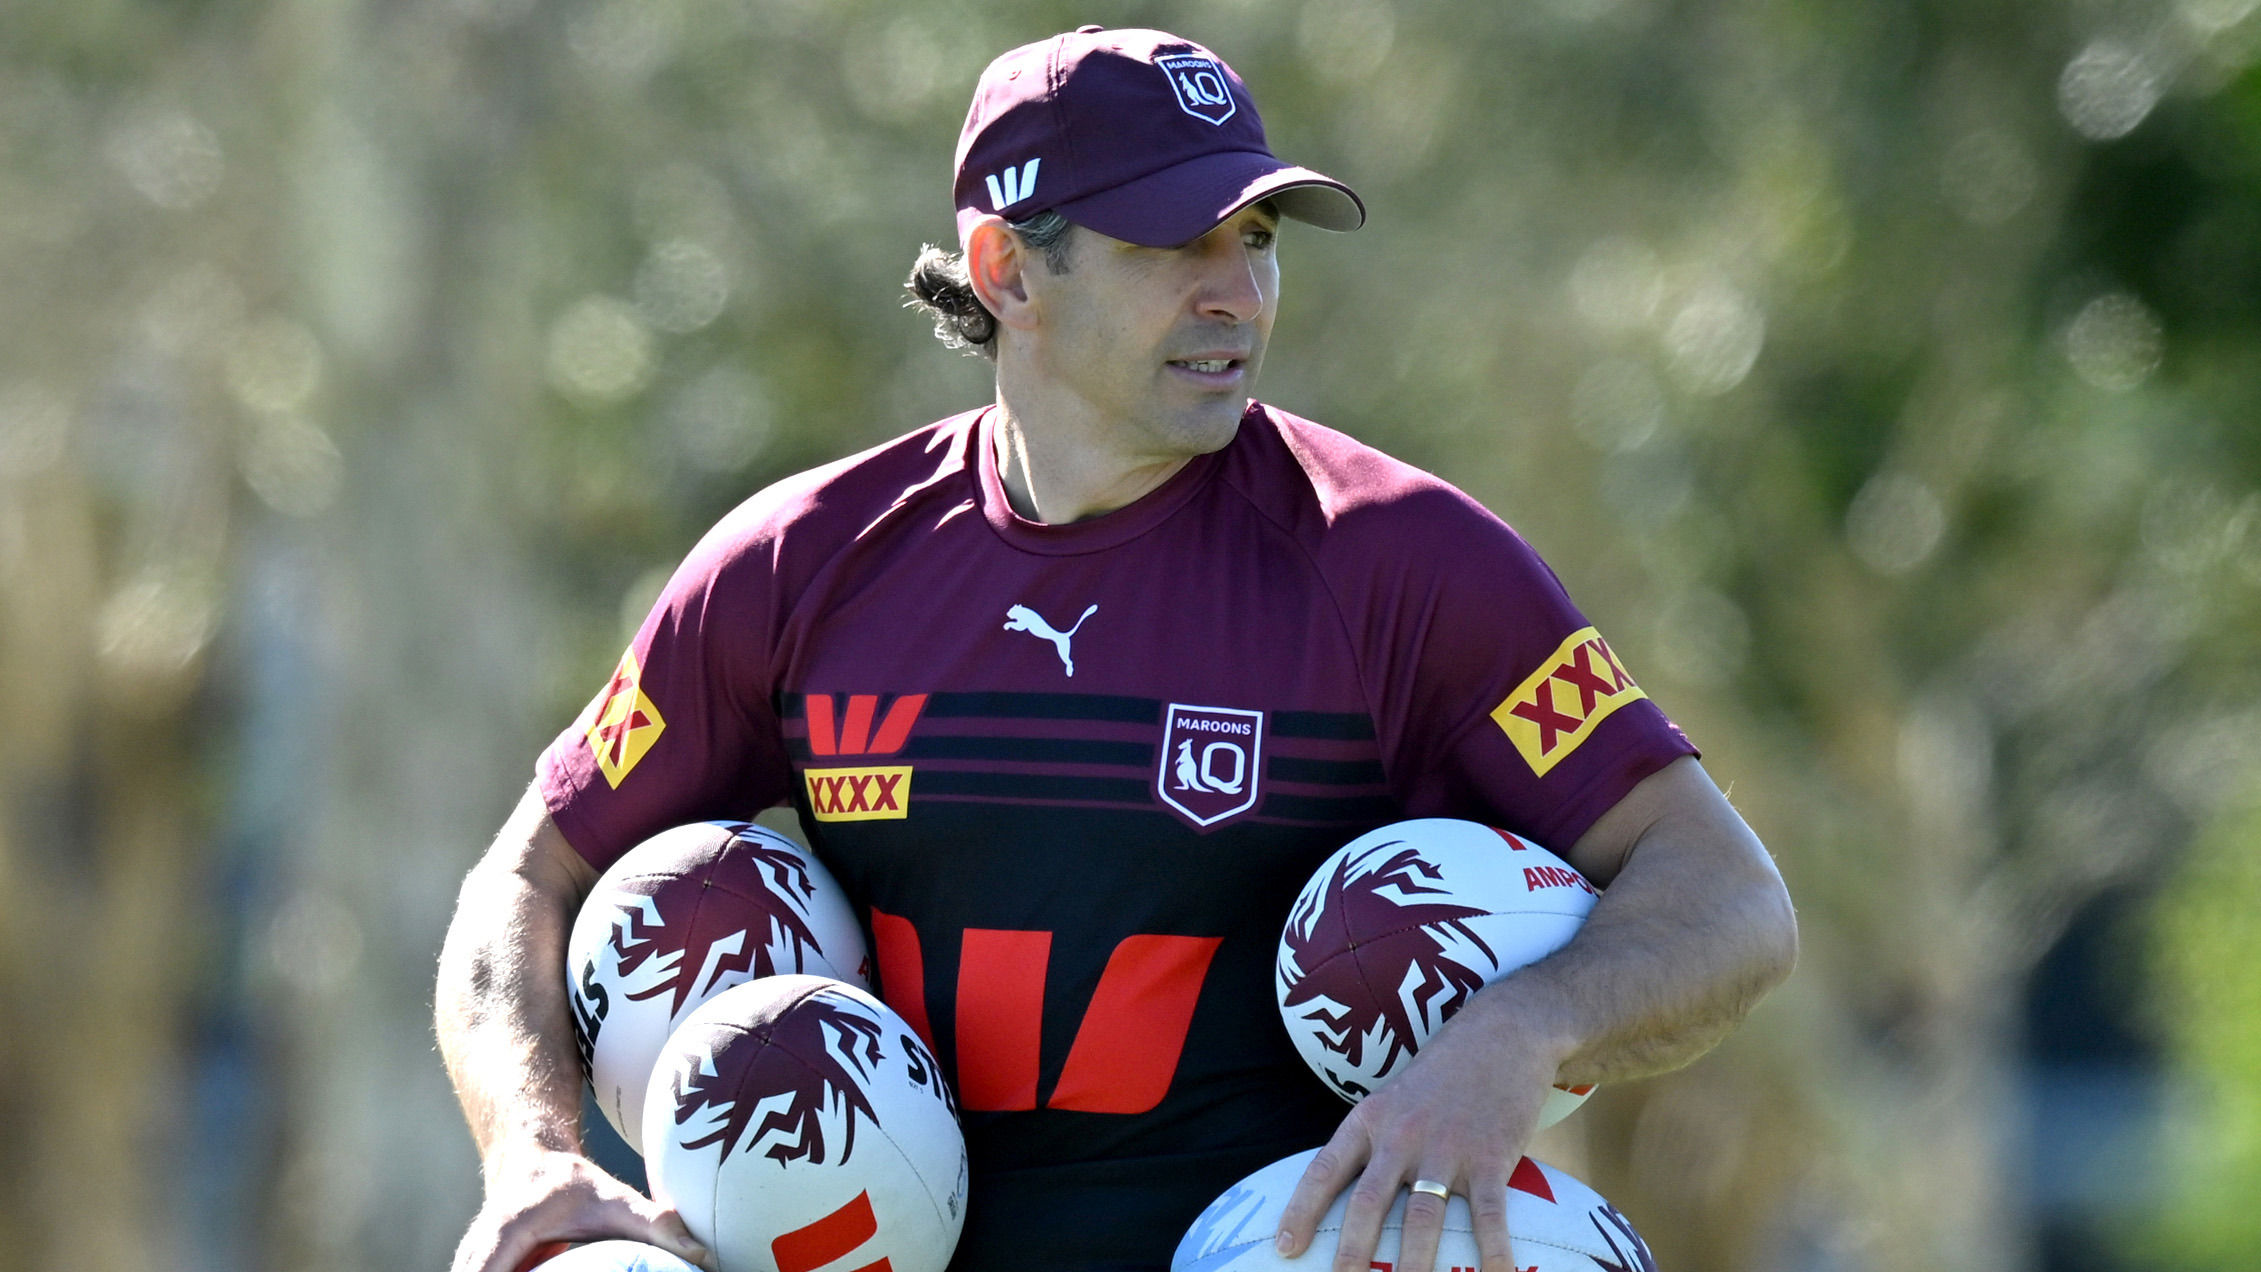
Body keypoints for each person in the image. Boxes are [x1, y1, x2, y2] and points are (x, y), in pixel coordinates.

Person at [436, 26, 1798, 1272]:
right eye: (1170, 246)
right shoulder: (797, 565)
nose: (1238, 295)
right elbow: (526, 877)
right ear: (1007, 270)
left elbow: (1726, 899)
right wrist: (531, 1155)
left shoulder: (1401, 561)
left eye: (1256, 235)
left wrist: (1516, 1035)